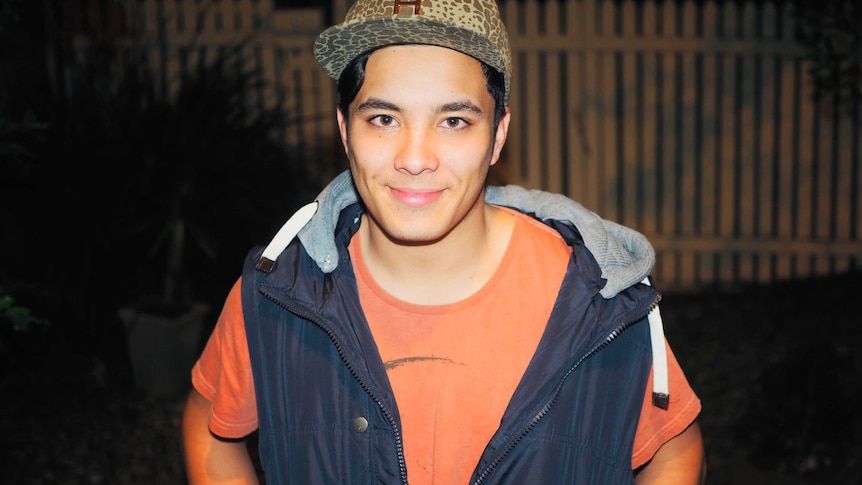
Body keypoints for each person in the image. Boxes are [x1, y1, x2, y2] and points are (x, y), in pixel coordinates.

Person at [181, 0, 706, 483]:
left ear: (498, 134)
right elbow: (210, 425)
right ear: (344, 131)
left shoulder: (598, 300)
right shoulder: (278, 294)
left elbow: (674, 449)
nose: (414, 157)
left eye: (453, 121)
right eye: (383, 119)